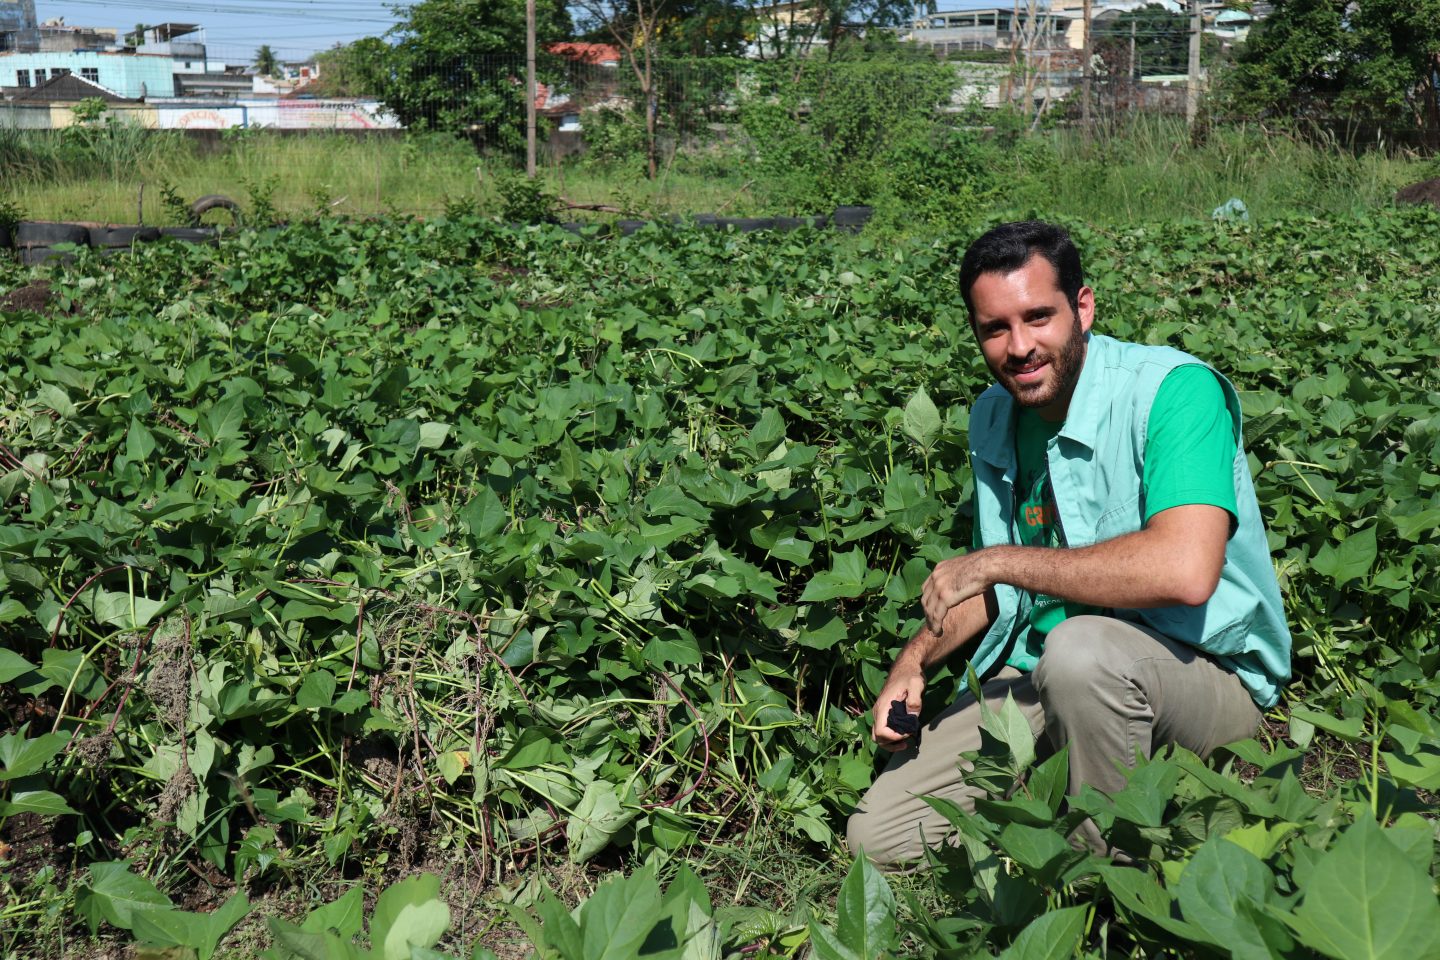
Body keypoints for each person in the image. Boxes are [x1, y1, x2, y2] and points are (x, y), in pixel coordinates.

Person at [846, 221, 1291, 866]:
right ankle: (1071, 771)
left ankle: (1108, 874)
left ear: (1082, 308)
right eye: (994, 328)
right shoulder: (994, 416)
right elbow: (992, 592)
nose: (1019, 347)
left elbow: (1187, 571)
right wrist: (913, 663)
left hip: (1199, 674)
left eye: (1038, 317)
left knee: (1080, 653)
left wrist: (997, 562)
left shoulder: (1172, 392)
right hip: (1043, 673)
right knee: (881, 838)